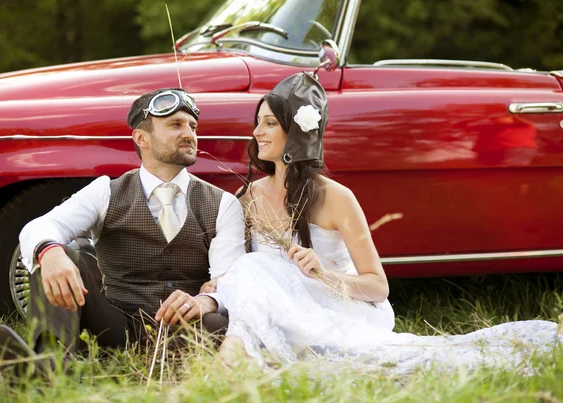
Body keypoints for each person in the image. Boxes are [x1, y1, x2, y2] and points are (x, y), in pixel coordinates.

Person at [204, 72, 561, 372]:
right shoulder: (249, 197)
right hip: (282, 311)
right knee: (251, 264)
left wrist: (322, 274)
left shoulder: (336, 197)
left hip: (335, 309)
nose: (256, 132)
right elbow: (245, 272)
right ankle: (241, 349)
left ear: (295, 134)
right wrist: (216, 291)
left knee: (253, 265)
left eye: (269, 123)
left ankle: (237, 353)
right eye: (257, 122)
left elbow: (378, 287)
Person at [0, 88, 246, 376]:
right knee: (59, 255)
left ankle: (169, 366)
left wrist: (207, 301)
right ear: (141, 138)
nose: (189, 133)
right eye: (175, 125)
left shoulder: (223, 203)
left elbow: (232, 280)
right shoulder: (106, 191)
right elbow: (40, 226)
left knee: (216, 325)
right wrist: (50, 252)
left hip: (185, 329)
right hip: (114, 327)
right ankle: (48, 366)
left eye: (192, 126)